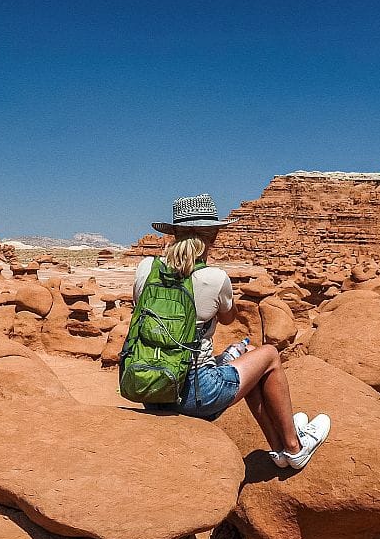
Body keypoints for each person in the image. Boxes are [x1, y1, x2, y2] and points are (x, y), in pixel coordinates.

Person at [134, 194, 330, 469]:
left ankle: (278, 450)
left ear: (174, 233)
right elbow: (228, 318)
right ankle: (295, 448)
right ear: (213, 236)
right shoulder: (214, 277)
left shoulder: (145, 269)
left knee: (247, 355)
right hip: (193, 395)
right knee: (270, 355)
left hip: (148, 387)